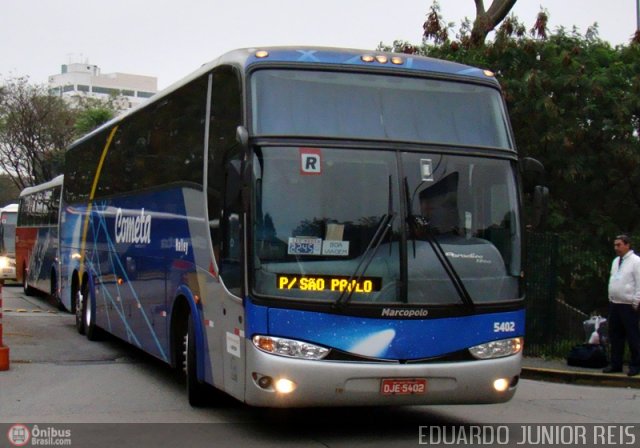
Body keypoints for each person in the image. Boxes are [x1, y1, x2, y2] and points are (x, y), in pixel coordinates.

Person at [603, 234, 640, 376]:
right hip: (615, 303)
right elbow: (613, 279)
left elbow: (639, 282)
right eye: (615, 245)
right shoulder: (615, 261)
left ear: (627, 245)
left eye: (619, 245)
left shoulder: (636, 261)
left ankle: (635, 364)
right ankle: (615, 363)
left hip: (628, 304)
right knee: (615, 335)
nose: (616, 248)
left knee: (632, 335)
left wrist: (636, 301)